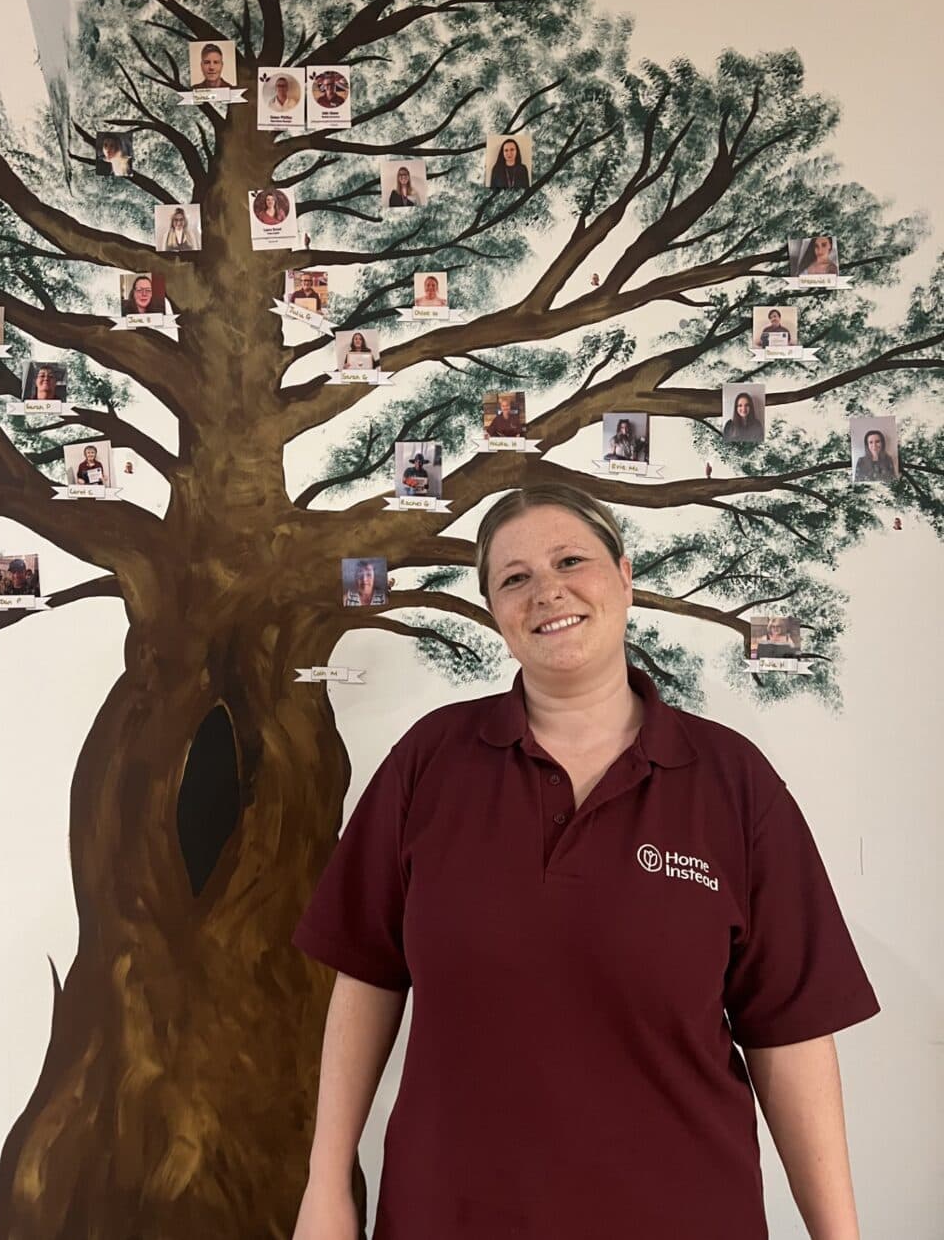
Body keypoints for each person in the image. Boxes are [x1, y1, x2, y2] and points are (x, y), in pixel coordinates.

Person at [292, 483, 879, 1240]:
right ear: (495, 612)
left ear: (624, 578)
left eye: (571, 561)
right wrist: (327, 1184)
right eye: (515, 577)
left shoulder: (733, 782)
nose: (547, 591)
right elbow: (367, 978)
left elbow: (789, 1035)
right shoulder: (429, 762)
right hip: (451, 1216)